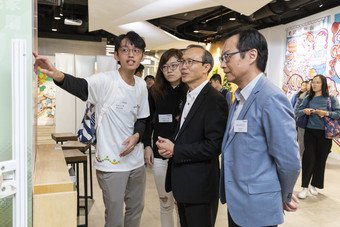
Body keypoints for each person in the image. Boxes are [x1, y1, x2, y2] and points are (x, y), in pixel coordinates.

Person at [33, 31, 150, 227]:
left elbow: (143, 119)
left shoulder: (141, 85)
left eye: (136, 51)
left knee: (135, 210)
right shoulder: (106, 80)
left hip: (136, 162)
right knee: (114, 216)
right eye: (125, 50)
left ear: (142, 56)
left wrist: (137, 136)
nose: (131, 55)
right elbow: (81, 86)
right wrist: (58, 75)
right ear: (116, 55)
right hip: (112, 163)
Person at [219, 29, 300, 227]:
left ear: (251, 55)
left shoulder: (270, 98)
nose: (222, 65)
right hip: (237, 202)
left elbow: (289, 160)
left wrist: (284, 195)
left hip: (259, 208)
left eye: (227, 57)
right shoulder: (238, 97)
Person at [156, 44, 228, 227]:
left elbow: (214, 146)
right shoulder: (189, 95)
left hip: (200, 187)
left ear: (206, 67)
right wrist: (171, 144)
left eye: (190, 62)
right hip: (184, 184)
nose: (183, 67)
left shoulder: (214, 100)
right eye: (182, 62)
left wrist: (176, 149)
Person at [142, 48, 187, 227]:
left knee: (180, 203)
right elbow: (146, 121)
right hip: (160, 154)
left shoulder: (189, 90)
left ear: (182, 65)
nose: (169, 70)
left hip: (183, 155)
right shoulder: (154, 92)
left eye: (174, 65)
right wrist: (147, 145)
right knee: (165, 202)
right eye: (165, 66)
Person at [296, 74, 340, 199]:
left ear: (323, 84)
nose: (314, 85)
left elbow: (338, 113)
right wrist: (305, 111)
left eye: (317, 82)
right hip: (310, 132)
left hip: (325, 134)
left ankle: (314, 185)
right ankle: (304, 187)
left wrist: (325, 113)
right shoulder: (308, 98)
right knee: (308, 159)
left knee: (321, 160)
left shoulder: (331, 98)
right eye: (313, 82)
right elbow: (297, 111)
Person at [293, 80, 311, 158]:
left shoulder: (323, 97)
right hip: (302, 124)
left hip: (315, 126)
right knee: (302, 145)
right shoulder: (301, 96)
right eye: (311, 84)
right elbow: (295, 111)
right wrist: (304, 111)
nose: (313, 85)